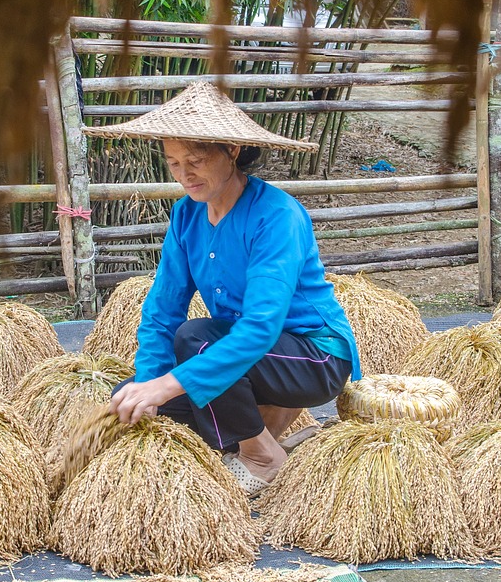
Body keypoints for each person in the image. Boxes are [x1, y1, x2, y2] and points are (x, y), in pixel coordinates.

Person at [84, 81, 361, 496]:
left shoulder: (277, 216)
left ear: (231, 151)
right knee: (131, 399)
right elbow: (162, 310)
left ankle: (262, 456)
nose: (184, 175)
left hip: (312, 357)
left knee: (195, 340)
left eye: (195, 160)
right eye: (173, 163)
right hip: (253, 358)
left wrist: (167, 384)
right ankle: (264, 426)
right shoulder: (186, 216)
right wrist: (149, 384)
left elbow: (259, 329)